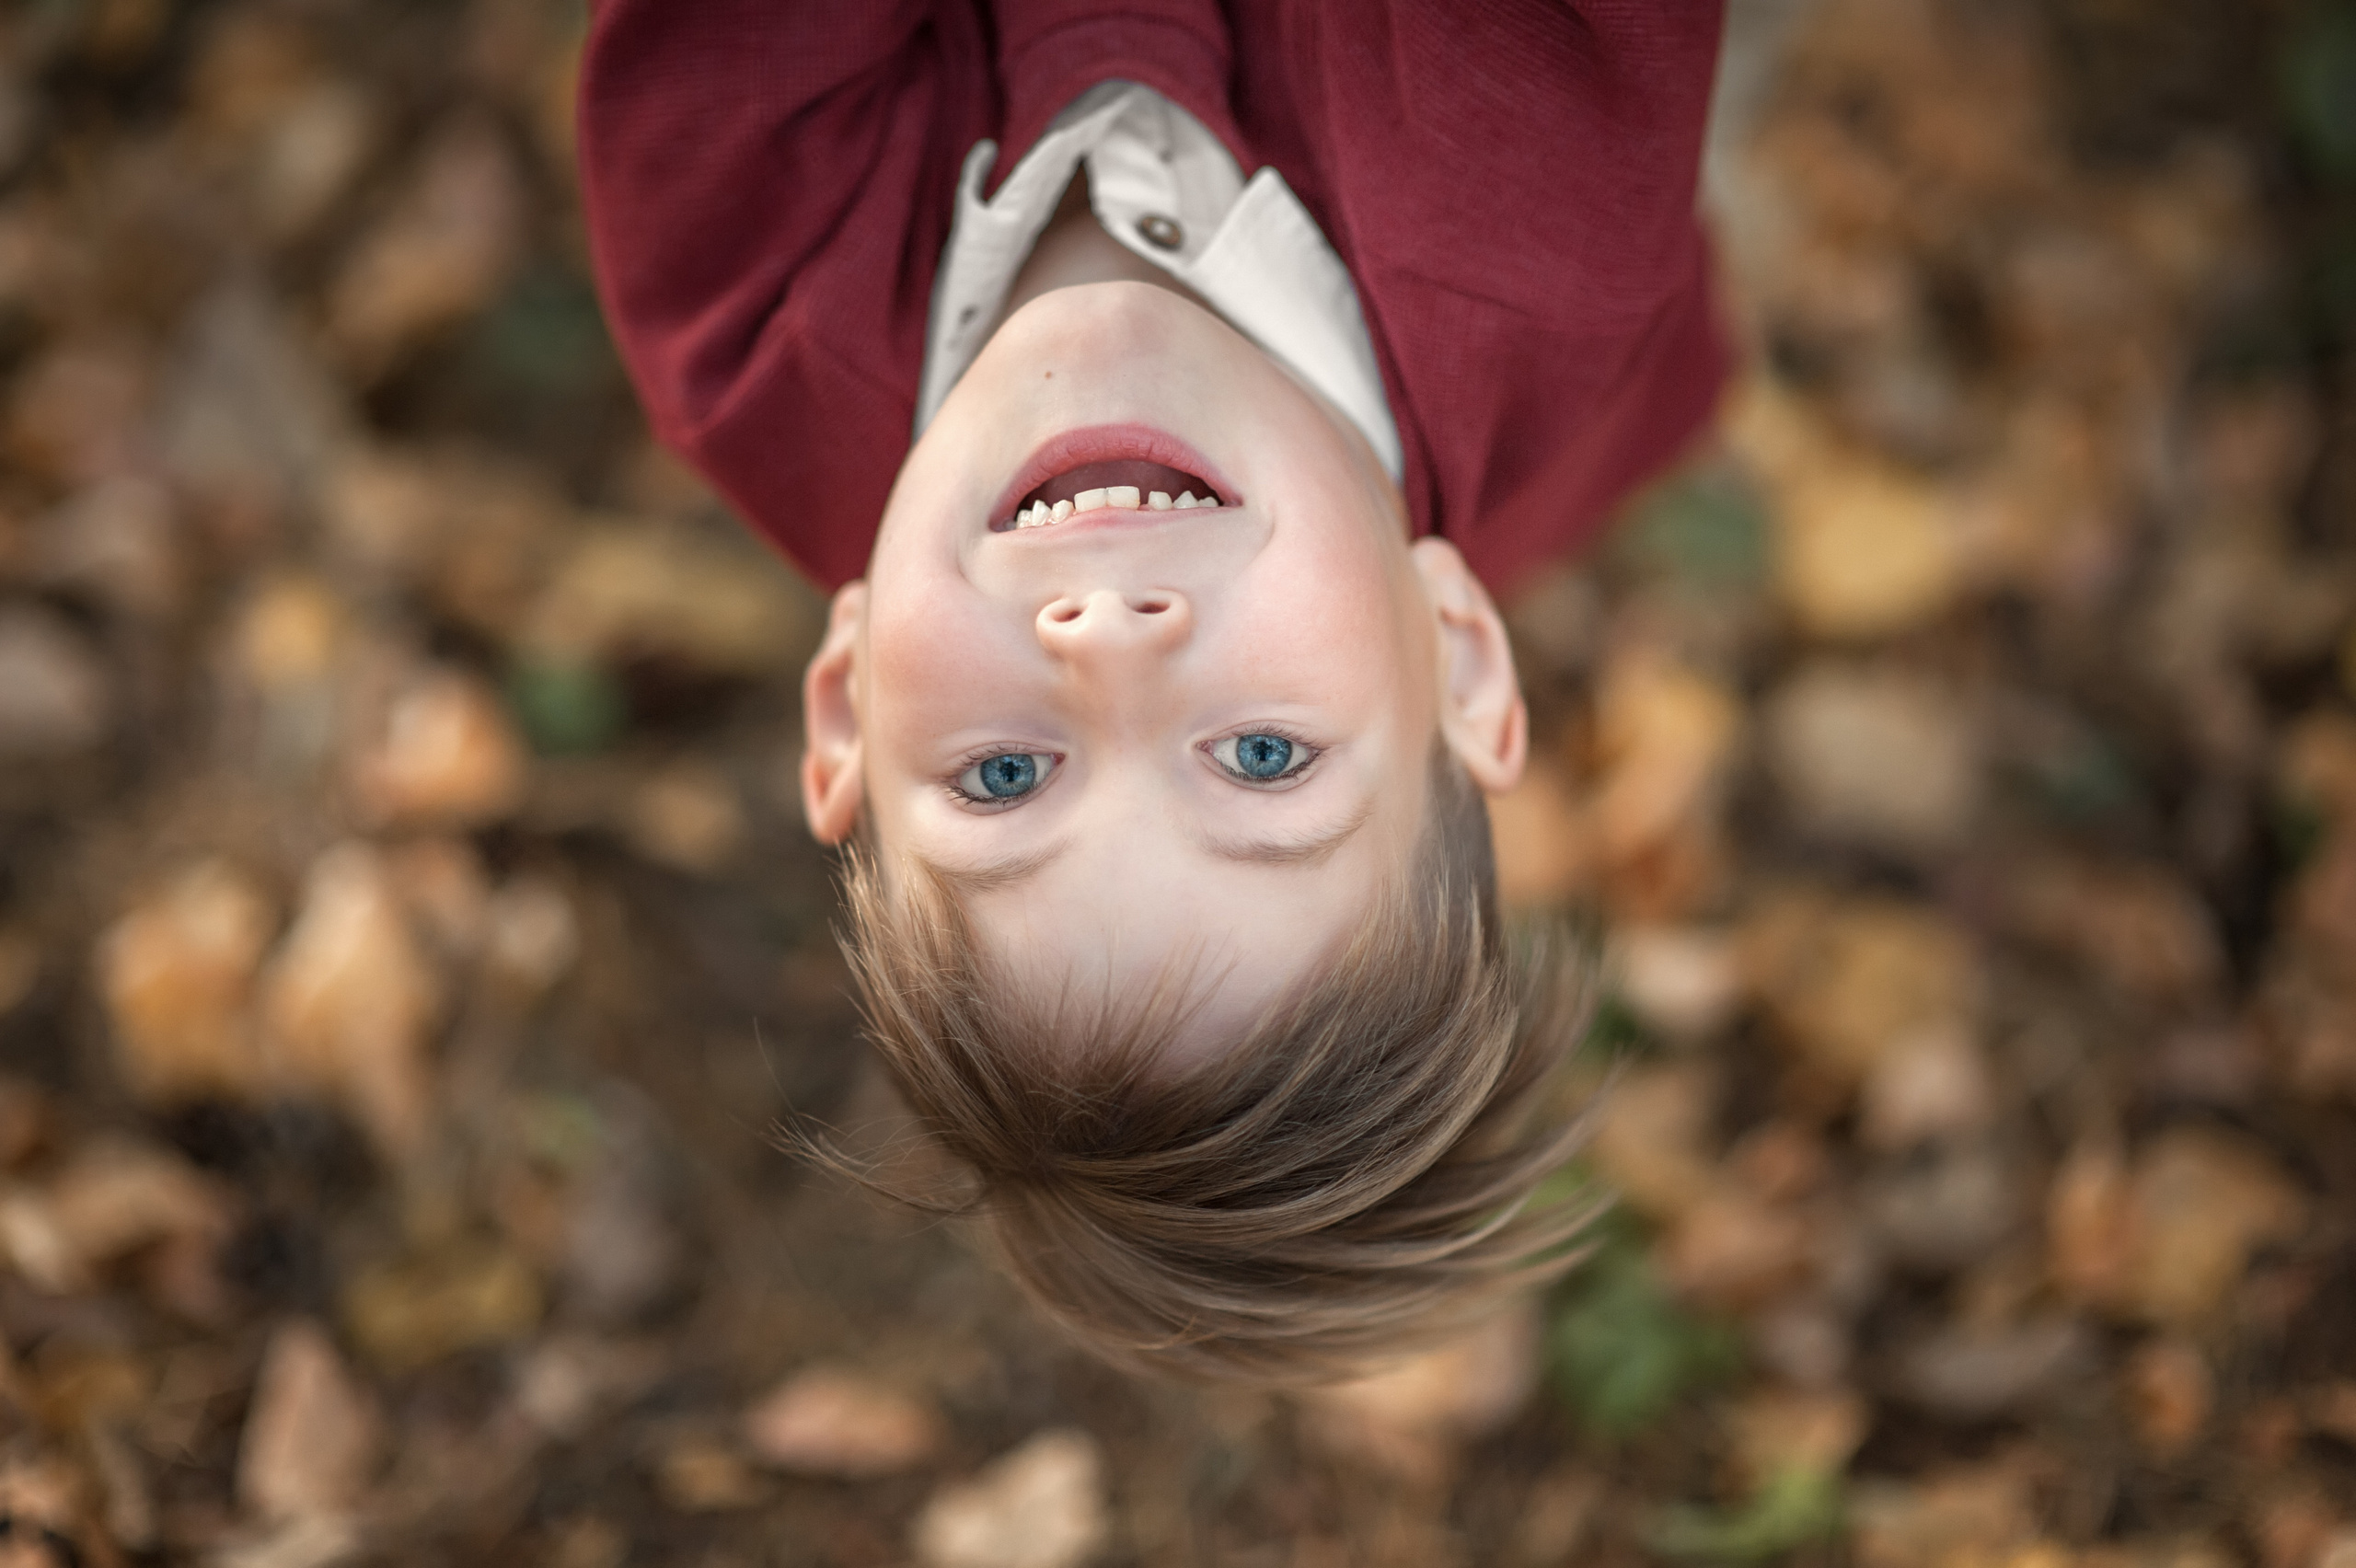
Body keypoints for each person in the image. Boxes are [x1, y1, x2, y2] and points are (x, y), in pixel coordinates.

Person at [577, 0, 1727, 1383]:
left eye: (1005, 776)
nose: (1109, 636)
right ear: (1461, 651)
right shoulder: (1537, 207)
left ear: (844, 710)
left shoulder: (736, 303)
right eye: (1260, 757)